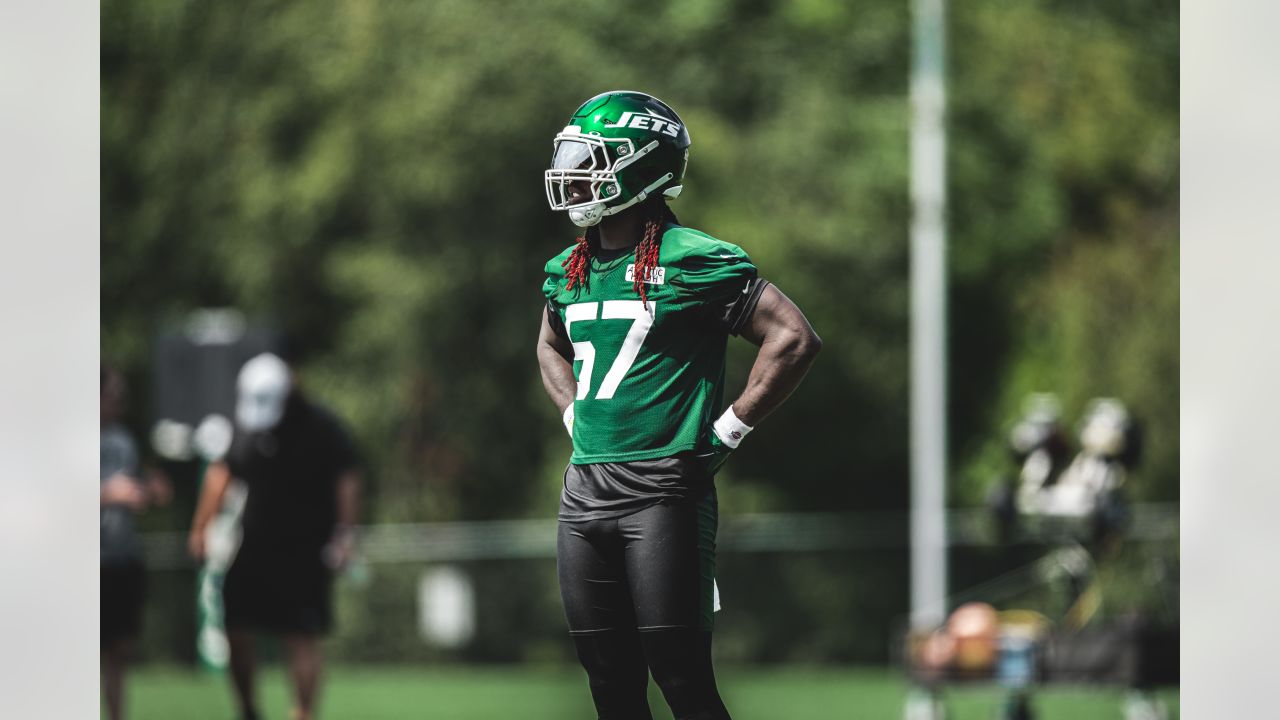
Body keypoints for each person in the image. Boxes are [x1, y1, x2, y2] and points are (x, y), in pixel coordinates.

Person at [538, 90, 822, 720]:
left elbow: (794, 337)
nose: (576, 173)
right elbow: (550, 345)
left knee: (682, 680)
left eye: (592, 158)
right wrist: (573, 417)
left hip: (664, 489)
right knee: (609, 686)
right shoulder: (568, 268)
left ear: (642, 167)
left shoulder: (694, 260)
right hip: (584, 492)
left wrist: (725, 433)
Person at [188, 353, 361, 720]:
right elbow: (222, 473)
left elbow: (347, 478)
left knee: (300, 635)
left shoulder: (322, 428)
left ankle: (303, 713)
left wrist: (345, 535)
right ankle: (248, 711)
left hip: (306, 548)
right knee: (235, 623)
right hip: (255, 546)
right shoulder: (246, 428)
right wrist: (201, 526)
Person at [101, 365, 171, 720]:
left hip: (120, 557)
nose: (119, 402)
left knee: (119, 650)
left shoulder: (122, 441)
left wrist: (150, 491)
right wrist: (106, 494)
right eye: (112, 394)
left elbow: (133, 492)